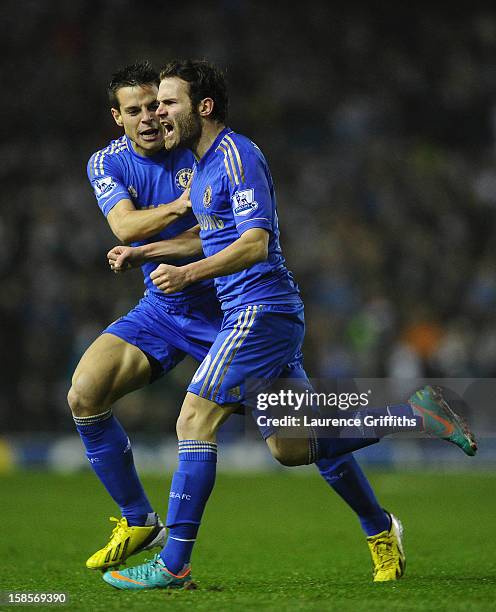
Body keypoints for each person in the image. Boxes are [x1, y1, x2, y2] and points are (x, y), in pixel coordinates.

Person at [101, 59, 476, 591]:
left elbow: (254, 243)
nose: (159, 111)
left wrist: (187, 274)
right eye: (154, 103)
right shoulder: (203, 166)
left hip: (261, 310)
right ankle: (414, 420)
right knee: (293, 444)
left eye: (168, 102)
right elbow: (213, 236)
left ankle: (174, 562)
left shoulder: (237, 155)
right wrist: (149, 251)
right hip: (251, 313)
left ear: (202, 107)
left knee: (193, 418)